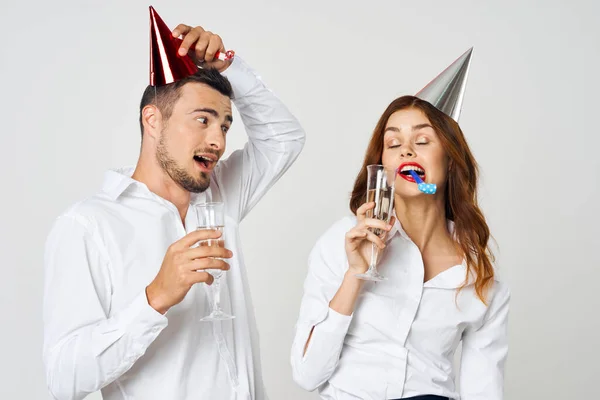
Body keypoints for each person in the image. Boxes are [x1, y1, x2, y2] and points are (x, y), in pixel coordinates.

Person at [43, 7, 305, 400]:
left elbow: (285, 139)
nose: (218, 140)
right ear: (152, 121)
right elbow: (64, 380)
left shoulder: (219, 197)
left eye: (225, 125)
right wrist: (155, 299)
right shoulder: (87, 226)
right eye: (203, 119)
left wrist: (229, 67)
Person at [291, 48, 510, 400]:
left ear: (451, 162)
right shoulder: (341, 241)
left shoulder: (479, 275)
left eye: (422, 141)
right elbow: (307, 375)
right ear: (383, 166)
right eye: (393, 143)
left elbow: (483, 389)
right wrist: (355, 275)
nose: (406, 151)